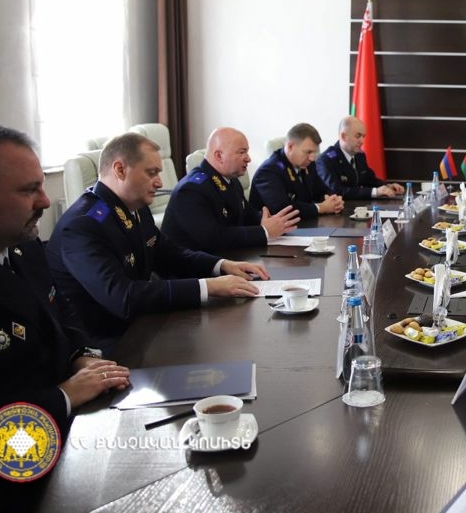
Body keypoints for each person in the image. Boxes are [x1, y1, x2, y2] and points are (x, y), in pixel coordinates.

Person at [0, 125, 130, 508]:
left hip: (66, 437)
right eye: (29, 190)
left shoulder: (19, 246)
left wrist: (80, 356)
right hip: (1, 480)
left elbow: (60, 316)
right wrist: (63, 396)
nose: (45, 200)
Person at [46, 133, 266, 353]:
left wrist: (222, 265)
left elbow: (171, 255)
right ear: (120, 169)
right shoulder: (83, 225)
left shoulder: (136, 208)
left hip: (140, 323)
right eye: (151, 173)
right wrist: (209, 287)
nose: (160, 182)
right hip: (104, 344)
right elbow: (123, 297)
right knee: (217, 348)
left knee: (232, 339)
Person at [162, 127, 299, 251]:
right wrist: (264, 231)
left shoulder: (231, 180)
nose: (248, 159)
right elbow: (214, 238)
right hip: (191, 267)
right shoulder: (191, 190)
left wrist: (269, 220)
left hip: (226, 257)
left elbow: (247, 214)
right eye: (242, 152)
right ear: (219, 156)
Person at [250, 123, 344, 218]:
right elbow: (282, 208)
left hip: (305, 223)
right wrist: (320, 208)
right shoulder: (268, 171)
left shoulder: (307, 164)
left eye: (314, 152)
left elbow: (321, 190)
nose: (312, 158)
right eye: (308, 152)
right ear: (290, 146)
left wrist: (333, 200)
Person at [316, 116, 404, 200]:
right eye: (358, 136)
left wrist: (387, 186)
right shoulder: (326, 160)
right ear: (343, 136)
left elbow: (369, 180)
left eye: (363, 136)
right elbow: (337, 191)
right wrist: (374, 192)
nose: (362, 141)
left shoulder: (359, 155)